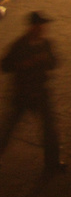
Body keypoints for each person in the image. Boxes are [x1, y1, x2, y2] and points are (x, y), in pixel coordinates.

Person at [0, 11, 62, 173]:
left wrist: (47, 60)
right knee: (7, 130)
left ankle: (52, 164)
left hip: (41, 93)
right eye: (40, 25)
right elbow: (5, 66)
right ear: (32, 27)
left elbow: (55, 63)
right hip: (22, 94)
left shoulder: (46, 44)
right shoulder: (19, 45)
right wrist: (25, 63)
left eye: (44, 26)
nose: (43, 29)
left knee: (49, 129)